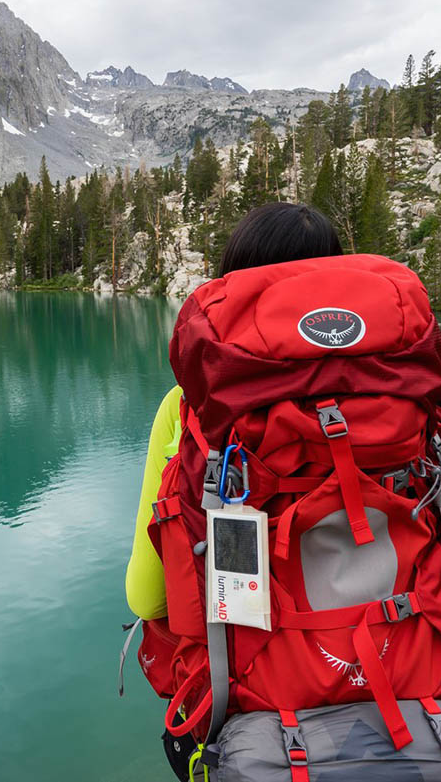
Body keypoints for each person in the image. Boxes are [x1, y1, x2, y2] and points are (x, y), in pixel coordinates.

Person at [125, 203, 343, 780]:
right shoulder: (406, 410)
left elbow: (147, 598)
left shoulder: (189, 410)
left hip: (254, 720)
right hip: (403, 700)